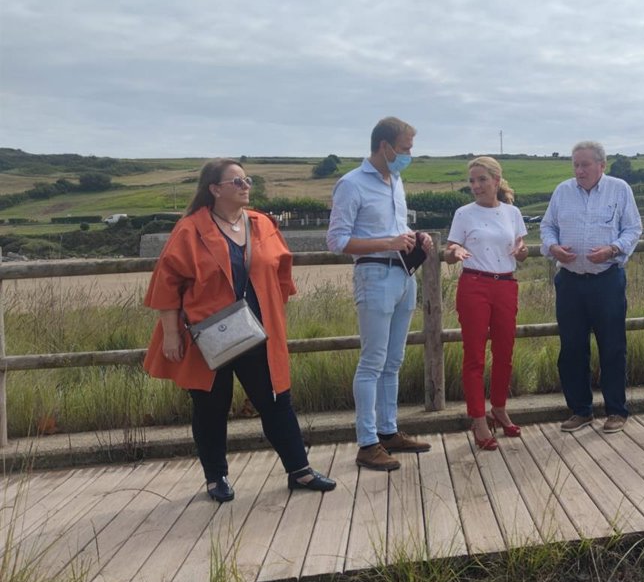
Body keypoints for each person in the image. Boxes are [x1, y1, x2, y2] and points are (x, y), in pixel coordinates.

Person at [144, 159, 336, 502]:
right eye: (237, 181)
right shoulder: (189, 230)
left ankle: (300, 470)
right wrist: (171, 334)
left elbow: (282, 271)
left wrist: (273, 312)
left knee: (276, 400)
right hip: (208, 336)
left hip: (258, 333)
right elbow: (167, 283)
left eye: (246, 180)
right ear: (214, 189)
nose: (245, 186)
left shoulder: (262, 224)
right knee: (210, 407)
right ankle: (215, 477)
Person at [327, 117, 435, 472]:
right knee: (372, 361)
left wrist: (416, 236)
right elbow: (337, 241)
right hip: (374, 274)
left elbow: (396, 228)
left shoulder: (396, 180)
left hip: (403, 274)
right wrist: (388, 243)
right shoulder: (351, 184)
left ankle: (388, 431)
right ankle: (367, 442)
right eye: (405, 148)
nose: (409, 155)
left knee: (393, 360)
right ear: (384, 146)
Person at [540, 141, 643, 433]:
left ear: (601, 165)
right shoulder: (562, 191)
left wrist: (613, 249)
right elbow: (547, 227)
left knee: (612, 347)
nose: (579, 170)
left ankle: (616, 411)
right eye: (576, 164)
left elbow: (633, 228)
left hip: (606, 280)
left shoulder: (619, 189)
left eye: (585, 164)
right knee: (572, 348)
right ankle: (580, 411)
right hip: (570, 282)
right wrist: (553, 247)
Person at [444, 157, 528, 450]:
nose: (476, 186)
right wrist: (454, 252)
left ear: (496, 180)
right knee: (475, 356)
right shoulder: (464, 213)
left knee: (505, 352)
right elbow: (450, 250)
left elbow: (521, 250)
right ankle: (479, 419)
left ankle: (499, 408)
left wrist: (521, 251)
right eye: (472, 181)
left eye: (481, 179)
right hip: (475, 285)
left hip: (505, 284)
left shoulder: (512, 212)